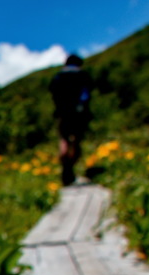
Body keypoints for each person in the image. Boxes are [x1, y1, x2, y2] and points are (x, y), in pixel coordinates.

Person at [49, 54, 93, 186]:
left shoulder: (59, 76)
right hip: (78, 113)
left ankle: (65, 169)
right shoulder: (82, 75)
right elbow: (86, 94)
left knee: (64, 140)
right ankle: (70, 168)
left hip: (63, 113)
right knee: (76, 142)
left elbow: (53, 93)